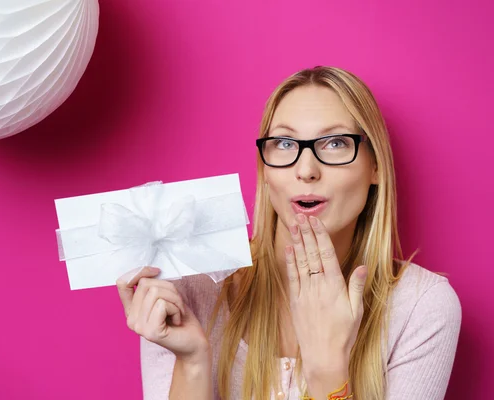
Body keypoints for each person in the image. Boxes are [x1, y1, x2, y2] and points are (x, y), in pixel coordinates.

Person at [116, 66, 462, 400]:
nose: (306, 169)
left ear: (375, 167)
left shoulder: (421, 307)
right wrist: (191, 363)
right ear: (265, 170)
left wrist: (329, 371)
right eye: (284, 144)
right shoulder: (189, 289)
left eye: (336, 143)